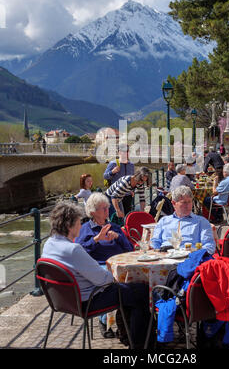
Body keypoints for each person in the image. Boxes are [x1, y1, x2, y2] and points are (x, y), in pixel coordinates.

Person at [41, 201, 150, 348]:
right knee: (141, 291)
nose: (80, 225)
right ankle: (140, 344)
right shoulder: (73, 249)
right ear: (69, 225)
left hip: (62, 300)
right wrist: (115, 277)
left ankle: (127, 335)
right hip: (88, 300)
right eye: (79, 222)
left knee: (130, 292)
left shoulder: (48, 244)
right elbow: (103, 280)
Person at [75, 192, 133, 338]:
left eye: (108, 207)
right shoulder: (85, 229)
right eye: (104, 208)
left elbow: (130, 249)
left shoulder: (114, 226)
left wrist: (119, 237)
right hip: (100, 266)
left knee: (135, 282)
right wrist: (96, 239)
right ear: (93, 212)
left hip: (121, 263)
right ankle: (105, 321)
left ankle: (126, 320)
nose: (108, 211)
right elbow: (79, 251)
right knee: (112, 283)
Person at [150, 186, 216, 254]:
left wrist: (197, 255)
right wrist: (157, 252)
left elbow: (209, 246)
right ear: (174, 203)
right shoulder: (163, 221)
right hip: (165, 257)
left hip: (190, 258)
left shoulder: (201, 222)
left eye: (189, 202)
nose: (188, 205)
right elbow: (155, 242)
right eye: (184, 202)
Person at [103, 144, 135, 215]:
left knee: (127, 217)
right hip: (116, 195)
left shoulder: (131, 165)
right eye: (123, 151)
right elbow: (105, 176)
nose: (125, 153)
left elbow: (133, 179)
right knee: (118, 217)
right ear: (119, 152)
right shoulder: (113, 163)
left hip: (128, 195)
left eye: (126, 151)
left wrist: (132, 190)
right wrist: (112, 172)